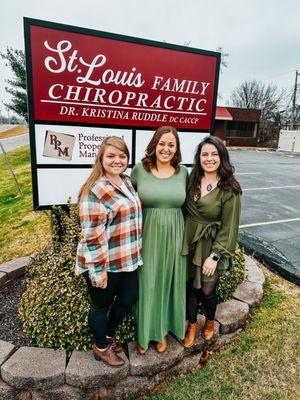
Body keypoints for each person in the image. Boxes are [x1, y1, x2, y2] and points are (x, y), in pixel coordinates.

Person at [75, 136, 142, 367]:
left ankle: (109, 336)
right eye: (111, 156)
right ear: (101, 159)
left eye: (122, 156)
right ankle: (101, 347)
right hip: (104, 263)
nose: (117, 160)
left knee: (130, 297)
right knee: (100, 306)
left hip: (127, 259)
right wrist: (98, 272)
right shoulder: (95, 190)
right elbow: (92, 235)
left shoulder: (126, 181)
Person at [131, 126, 188, 354]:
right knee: (147, 282)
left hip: (175, 235)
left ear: (176, 149)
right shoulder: (139, 170)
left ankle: (163, 329)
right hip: (147, 235)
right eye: (162, 143)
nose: (166, 149)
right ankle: (145, 333)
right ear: (154, 144)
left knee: (167, 282)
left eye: (171, 144)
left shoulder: (183, 172)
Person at [182, 136, 242, 346]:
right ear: (198, 158)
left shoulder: (230, 189)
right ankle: (191, 325)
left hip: (210, 245)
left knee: (207, 290)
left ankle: (208, 321)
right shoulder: (191, 178)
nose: (209, 159)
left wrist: (214, 256)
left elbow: (229, 227)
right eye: (204, 154)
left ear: (222, 157)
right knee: (189, 286)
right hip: (188, 241)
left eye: (214, 154)